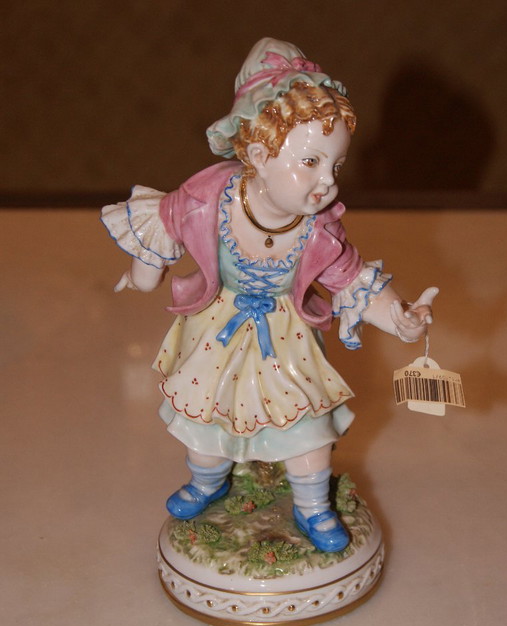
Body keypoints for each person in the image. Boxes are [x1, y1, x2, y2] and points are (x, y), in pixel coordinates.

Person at [101, 37, 437, 554]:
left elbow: (352, 279)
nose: (327, 183)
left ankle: (313, 505)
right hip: (216, 332)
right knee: (205, 423)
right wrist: (143, 274)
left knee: (308, 430)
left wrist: (400, 317)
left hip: (287, 341)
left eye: (336, 166)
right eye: (311, 162)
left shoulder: (320, 230)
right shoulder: (207, 199)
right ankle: (207, 482)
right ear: (258, 154)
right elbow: (163, 230)